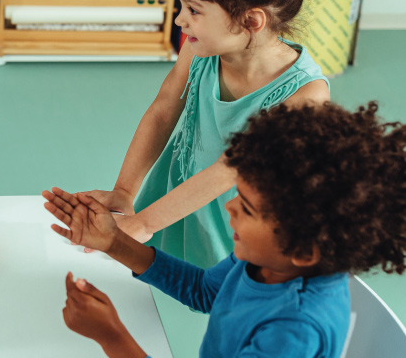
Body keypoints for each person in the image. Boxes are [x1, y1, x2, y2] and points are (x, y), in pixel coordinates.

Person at [62, 0, 332, 267]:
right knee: (165, 282)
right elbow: (163, 110)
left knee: (217, 299)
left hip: (239, 224)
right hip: (179, 197)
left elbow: (229, 169)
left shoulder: (305, 95)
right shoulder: (199, 47)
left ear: (251, 21)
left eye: (193, 10)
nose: (180, 20)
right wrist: (125, 192)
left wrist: (143, 222)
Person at [45, 102, 406, 358]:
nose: (229, 207)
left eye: (247, 209)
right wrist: (113, 241)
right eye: (239, 196)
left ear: (304, 251)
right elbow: (202, 290)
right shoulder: (270, 259)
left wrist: (113, 337)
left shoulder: (293, 330)